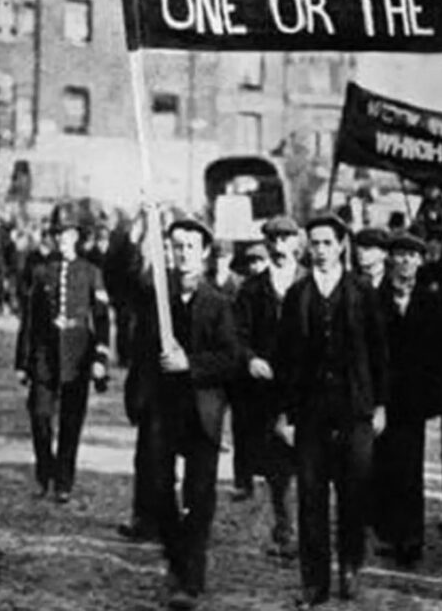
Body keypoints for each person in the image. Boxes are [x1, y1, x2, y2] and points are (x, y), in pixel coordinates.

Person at [123, 213, 242, 609]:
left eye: (191, 247)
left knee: (199, 494)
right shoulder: (158, 297)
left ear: (205, 253)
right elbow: (124, 281)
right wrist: (138, 227)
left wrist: (189, 363)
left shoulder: (219, 304)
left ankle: (190, 578)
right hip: (163, 408)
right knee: (157, 489)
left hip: (203, 412)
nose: (184, 254)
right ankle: (176, 556)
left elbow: (232, 358)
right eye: (177, 247)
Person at [275, 213, 388, 609]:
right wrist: (284, 413)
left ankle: (351, 564)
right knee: (310, 496)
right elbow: (285, 358)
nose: (320, 251)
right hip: (310, 413)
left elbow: (379, 352)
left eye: (327, 243)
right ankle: (314, 581)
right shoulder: (297, 295)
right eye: (315, 243)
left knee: (354, 491)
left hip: (355, 409)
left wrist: (380, 405)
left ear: (342, 245)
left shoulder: (363, 292)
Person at [14, 202, 110, 503]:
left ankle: (64, 480)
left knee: (71, 420)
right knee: (40, 416)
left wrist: (100, 357)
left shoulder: (91, 272)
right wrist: (22, 361)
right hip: (45, 355)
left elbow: (103, 318)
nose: (61, 239)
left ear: (77, 236)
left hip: (77, 355)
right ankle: (45, 474)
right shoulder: (41, 272)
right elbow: (29, 321)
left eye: (66, 233)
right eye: (57, 234)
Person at [230, 216, 305, 558]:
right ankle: (286, 528)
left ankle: (307, 527)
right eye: (273, 239)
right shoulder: (252, 288)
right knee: (278, 460)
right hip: (267, 384)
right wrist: (250, 358)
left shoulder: (311, 282)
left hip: (306, 382)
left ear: (296, 243)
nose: (279, 245)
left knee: (308, 456)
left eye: (285, 238)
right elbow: (236, 334)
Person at [372, 232, 442, 566]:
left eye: (411, 256)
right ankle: (390, 533)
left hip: (414, 399)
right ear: (390, 261)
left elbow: (439, 352)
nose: (404, 262)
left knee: (411, 467)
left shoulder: (431, 301)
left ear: (420, 261)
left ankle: (412, 537)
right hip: (383, 396)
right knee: (386, 466)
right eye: (399, 255)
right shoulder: (375, 298)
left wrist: (434, 396)